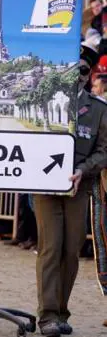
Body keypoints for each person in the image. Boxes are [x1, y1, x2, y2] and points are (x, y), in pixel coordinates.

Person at [33, 44, 107, 337]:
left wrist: (82, 170)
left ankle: (62, 311)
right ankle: (47, 315)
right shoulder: (43, 103)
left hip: (80, 186)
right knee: (51, 249)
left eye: (84, 70)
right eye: (72, 69)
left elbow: (105, 150)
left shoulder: (99, 110)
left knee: (71, 250)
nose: (77, 75)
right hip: (46, 186)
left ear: (89, 74)